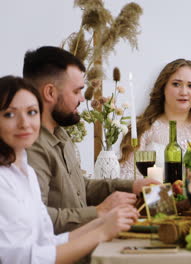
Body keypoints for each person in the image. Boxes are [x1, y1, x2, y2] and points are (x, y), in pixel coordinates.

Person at [0, 75, 139, 264]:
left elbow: (47, 241)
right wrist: (101, 231)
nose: (24, 123)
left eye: (32, 112)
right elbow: (25, 259)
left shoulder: (25, 171)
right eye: (9, 114)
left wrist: (104, 221)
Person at [23, 46, 158, 234]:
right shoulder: (31, 146)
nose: (81, 99)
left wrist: (133, 186)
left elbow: (81, 188)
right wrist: (99, 212)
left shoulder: (60, 133)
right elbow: (38, 219)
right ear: (50, 93)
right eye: (77, 91)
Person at [119, 58, 191, 178]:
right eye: (176, 84)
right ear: (163, 87)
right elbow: (129, 178)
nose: (184, 92)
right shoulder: (142, 127)